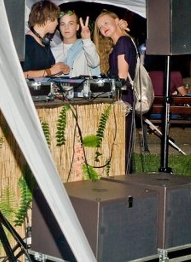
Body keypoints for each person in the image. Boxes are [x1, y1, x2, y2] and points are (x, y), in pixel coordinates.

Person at [94, 10, 138, 172]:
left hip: (122, 99)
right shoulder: (126, 41)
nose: (103, 28)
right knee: (123, 143)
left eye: (106, 22)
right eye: (99, 27)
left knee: (121, 142)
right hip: (127, 97)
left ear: (116, 21)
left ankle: (123, 178)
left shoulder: (122, 43)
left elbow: (121, 78)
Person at [22, 0, 70, 78]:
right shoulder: (27, 42)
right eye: (55, 19)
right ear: (48, 19)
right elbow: (22, 74)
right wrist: (50, 71)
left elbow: (45, 71)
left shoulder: (45, 43)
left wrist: (58, 69)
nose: (57, 23)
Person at [50, 10, 100, 78]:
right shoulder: (52, 52)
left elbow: (94, 63)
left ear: (77, 27)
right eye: (62, 24)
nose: (66, 27)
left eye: (70, 23)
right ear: (59, 27)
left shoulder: (86, 46)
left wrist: (86, 40)